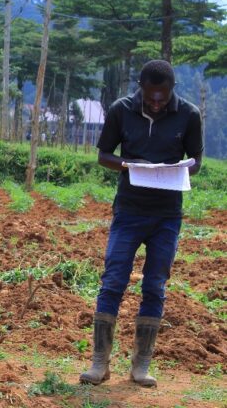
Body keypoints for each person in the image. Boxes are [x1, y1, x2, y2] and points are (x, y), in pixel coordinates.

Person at [80, 60, 203, 387]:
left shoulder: (189, 115)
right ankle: (99, 363)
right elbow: (104, 155)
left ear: (172, 89)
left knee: (155, 285)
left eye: (163, 96)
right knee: (113, 280)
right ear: (141, 88)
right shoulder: (121, 110)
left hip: (167, 215)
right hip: (129, 211)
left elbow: (197, 162)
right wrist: (129, 164)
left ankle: (140, 366)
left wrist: (176, 169)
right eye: (151, 96)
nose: (157, 102)